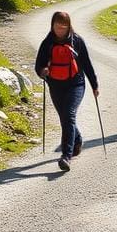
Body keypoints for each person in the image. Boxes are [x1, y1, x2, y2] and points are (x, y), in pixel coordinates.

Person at [35, 11, 99, 171]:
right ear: (52, 25)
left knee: (69, 115)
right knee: (65, 117)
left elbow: (87, 65)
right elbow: (38, 65)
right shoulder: (47, 43)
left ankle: (66, 156)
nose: (60, 30)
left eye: (64, 27)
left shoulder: (77, 41)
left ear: (69, 26)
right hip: (55, 85)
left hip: (76, 84)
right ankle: (77, 140)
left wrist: (94, 85)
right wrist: (43, 71)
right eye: (58, 27)